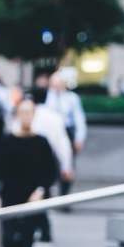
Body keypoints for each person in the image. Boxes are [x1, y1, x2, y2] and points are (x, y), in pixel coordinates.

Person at [0, 98, 58, 247]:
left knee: (27, 241)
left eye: (30, 112)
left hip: (32, 198)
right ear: (17, 115)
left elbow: (51, 171)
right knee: (9, 239)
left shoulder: (41, 142)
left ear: (34, 115)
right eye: (23, 112)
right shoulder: (7, 140)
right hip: (9, 196)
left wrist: (41, 190)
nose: (26, 116)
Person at [44, 72, 87, 202]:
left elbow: (79, 119)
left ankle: (64, 196)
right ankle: (46, 194)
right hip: (49, 134)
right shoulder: (45, 96)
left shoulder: (72, 98)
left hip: (67, 132)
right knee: (47, 164)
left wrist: (79, 138)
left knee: (67, 165)